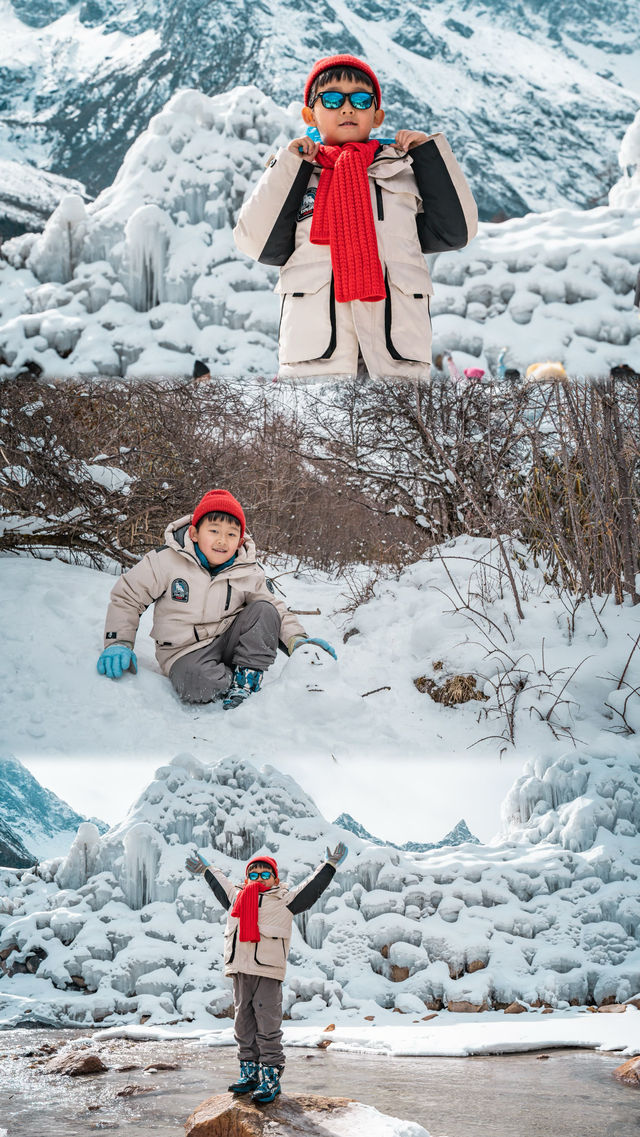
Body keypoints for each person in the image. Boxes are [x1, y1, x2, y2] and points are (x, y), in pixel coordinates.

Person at [233, 53, 477, 381]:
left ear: (377, 116)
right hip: (317, 361)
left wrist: (428, 156)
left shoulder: (403, 170)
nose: (347, 108)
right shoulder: (301, 175)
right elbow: (256, 242)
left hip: (395, 360)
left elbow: (456, 231)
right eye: (332, 98)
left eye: (361, 100)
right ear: (310, 114)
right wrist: (289, 164)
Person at [96, 488, 336, 709]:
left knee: (264, 609)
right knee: (196, 685)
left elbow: (275, 609)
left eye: (231, 534)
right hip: (184, 651)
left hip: (229, 640)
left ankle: (247, 678)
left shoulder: (248, 570)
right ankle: (226, 678)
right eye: (214, 531)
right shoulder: (165, 561)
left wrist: (298, 640)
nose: (222, 540)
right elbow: (127, 597)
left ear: (240, 541)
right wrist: (119, 642)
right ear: (195, 533)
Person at [185, 844, 348, 1103]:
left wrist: (329, 865)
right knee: (243, 1022)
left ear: (275, 878)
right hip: (240, 969)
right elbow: (220, 882)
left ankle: (270, 1075)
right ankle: (248, 1072)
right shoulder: (236, 897)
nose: (259, 878)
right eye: (253, 874)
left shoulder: (284, 900)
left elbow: (312, 887)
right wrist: (206, 868)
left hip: (268, 971)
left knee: (268, 1022)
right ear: (246, 877)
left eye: (264, 874)